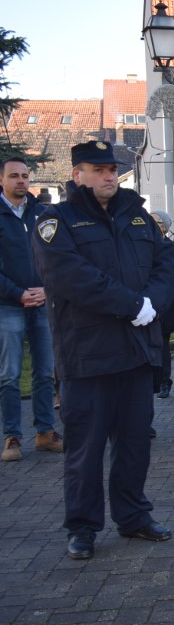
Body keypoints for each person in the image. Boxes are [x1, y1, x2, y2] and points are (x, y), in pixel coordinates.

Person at [31, 141, 174, 560]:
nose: (109, 176)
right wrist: (133, 305)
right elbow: (69, 276)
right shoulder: (56, 219)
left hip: (136, 352)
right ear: (77, 174)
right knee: (86, 449)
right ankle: (82, 527)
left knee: (135, 444)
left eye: (112, 168)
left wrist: (153, 302)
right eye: (98, 169)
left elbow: (166, 264)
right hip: (88, 355)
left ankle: (133, 517)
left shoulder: (137, 214)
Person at [1, 157, 63, 462]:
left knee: (43, 371)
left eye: (25, 176)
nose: (21, 181)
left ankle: (45, 432)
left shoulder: (43, 214)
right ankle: (12, 436)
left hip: (41, 303)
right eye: (14, 176)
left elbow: (58, 257)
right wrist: (17, 293)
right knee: (9, 375)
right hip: (7, 306)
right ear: (2, 180)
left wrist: (46, 288)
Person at [150, 210, 174, 401]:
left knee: (163, 345)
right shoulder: (143, 247)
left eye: (158, 222)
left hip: (166, 306)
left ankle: (164, 382)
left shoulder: (168, 247)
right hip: (145, 305)